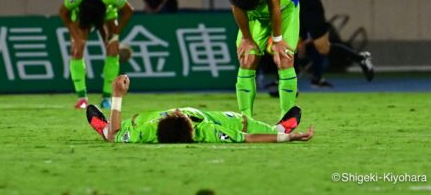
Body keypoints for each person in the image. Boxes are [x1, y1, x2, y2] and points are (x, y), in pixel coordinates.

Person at [86, 75, 314, 144]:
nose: (177, 110)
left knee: (113, 133)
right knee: (241, 121)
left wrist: (117, 96)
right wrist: (288, 137)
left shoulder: (147, 130)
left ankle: (102, 127)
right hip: (211, 118)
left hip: (141, 121)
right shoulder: (208, 130)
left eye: (176, 113)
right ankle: (278, 127)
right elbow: (249, 138)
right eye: (180, 114)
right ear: (192, 127)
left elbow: (115, 139)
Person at [223, 0, 300, 118]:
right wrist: (247, 38)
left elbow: (275, 8)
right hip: (254, 16)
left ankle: (286, 119)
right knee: (247, 59)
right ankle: (245, 120)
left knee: (285, 58)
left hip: (285, 10)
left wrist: (278, 40)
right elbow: (237, 6)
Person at [59, 0, 134, 109]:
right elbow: (63, 12)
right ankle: (82, 99)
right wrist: (75, 35)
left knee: (112, 49)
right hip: (81, 14)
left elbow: (129, 11)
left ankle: (106, 98)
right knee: (77, 49)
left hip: (107, 14)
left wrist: (115, 34)